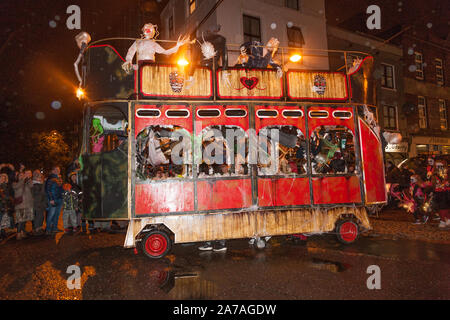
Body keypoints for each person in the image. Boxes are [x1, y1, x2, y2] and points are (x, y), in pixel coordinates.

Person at [13, 170, 34, 240]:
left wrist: (28, 179)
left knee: (25, 219)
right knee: (20, 220)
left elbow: (31, 185)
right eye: (20, 175)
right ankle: (18, 233)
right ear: (17, 177)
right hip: (20, 204)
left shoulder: (26, 182)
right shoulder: (15, 183)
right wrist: (23, 179)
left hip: (28, 204)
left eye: (23, 175)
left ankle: (22, 232)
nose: (22, 176)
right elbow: (17, 186)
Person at [45, 166, 64, 235]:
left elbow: (61, 189)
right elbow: (48, 190)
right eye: (55, 169)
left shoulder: (59, 178)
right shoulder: (50, 178)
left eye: (58, 170)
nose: (57, 171)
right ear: (52, 171)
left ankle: (55, 228)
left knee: (57, 215)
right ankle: (48, 229)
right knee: (51, 214)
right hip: (53, 199)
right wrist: (51, 199)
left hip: (59, 199)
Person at [430, 160, 450, 228]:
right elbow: (433, 184)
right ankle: (443, 220)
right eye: (437, 166)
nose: (439, 167)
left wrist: (447, 184)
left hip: (446, 193)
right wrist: (432, 191)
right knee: (440, 208)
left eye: (441, 166)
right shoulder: (434, 175)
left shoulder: (447, 173)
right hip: (438, 193)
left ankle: (446, 220)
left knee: (446, 207)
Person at [31, 170, 46, 235]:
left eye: (40, 177)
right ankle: (37, 229)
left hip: (41, 202)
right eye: (38, 177)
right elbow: (39, 193)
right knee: (38, 216)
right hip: (37, 203)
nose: (40, 178)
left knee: (41, 216)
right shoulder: (34, 184)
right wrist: (43, 184)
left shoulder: (40, 184)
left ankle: (39, 228)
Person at [0, 173, 11, 239]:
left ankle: (2, 232)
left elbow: (8, 196)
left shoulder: (5, 186)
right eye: (1, 177)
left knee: (3, 219)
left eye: (4, 178)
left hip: (3, 205)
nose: (2, 179)